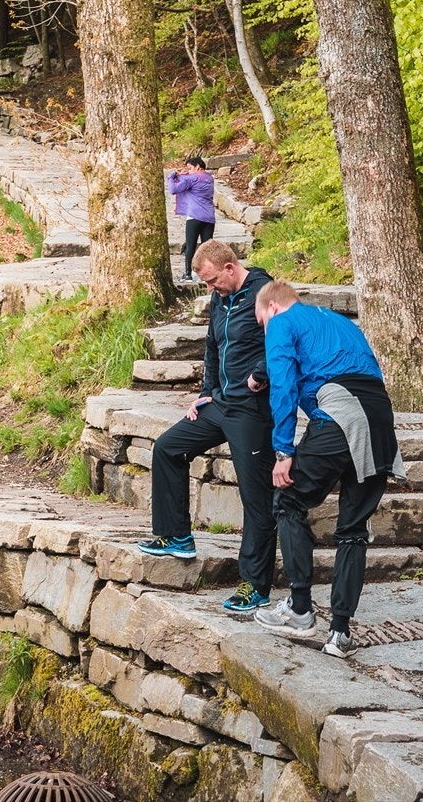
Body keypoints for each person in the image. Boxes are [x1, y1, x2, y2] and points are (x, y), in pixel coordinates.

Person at [250, 279, 401, 659]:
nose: (267, 333)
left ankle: (301, 609)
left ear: (271, 308)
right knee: (352, 530)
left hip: (339, 416)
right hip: (380, 422)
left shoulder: (282, 321)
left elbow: (283, 385)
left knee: (288, 500)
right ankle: (340, 633)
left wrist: (283, 451)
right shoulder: (340, 322)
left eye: (262, 324)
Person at [136, 240, 278, 615]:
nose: (210, 288)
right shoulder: (220, 298)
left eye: (213, 280)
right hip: (221, 404)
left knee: (256, 496)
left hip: (252, 410)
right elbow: (212, 348)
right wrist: (205, 393)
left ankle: (255, 585)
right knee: (168, 447)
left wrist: (260, 375)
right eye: (206, 283)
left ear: (230, 268)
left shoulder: (266, 292)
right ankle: (177, 535)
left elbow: (282, 340)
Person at [167, 156, 215, 283]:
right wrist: (185, 175)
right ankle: (209, 275)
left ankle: (188, 274)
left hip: (194, 217)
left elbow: (173, 189)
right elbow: (191, 178)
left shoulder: (192, 179)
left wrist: (171, 177)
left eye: (190, 168)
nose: (188, 171)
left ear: (198, 167)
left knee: (191, 246)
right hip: (209, 217)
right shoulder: (210, 178)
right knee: (207, 247)